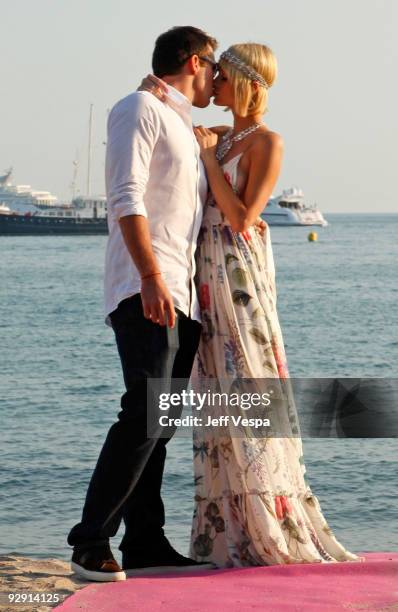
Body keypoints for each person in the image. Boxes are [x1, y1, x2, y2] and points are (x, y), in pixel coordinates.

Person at [144, 42, 366, 567]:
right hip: (202, 269)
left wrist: (205, 157)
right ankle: (226, 525)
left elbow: (243, 216)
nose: (212, 83)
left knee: (250, 374)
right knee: (217, 384)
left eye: (221, 75)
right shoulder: (221, 137)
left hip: (236, 266)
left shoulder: (267, 142)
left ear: (245, 82)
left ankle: (270, 515)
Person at [67, 25, 219, 582]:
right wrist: (150, 276)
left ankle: (147, 542)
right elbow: (125, 196)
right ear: (195, 61)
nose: (218, 79)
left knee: (163, 421)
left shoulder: (173, 118)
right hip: (145, 286)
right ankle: (89, 542)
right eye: (216, 68)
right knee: (143, 416)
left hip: (178, 293)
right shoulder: (138, 107)